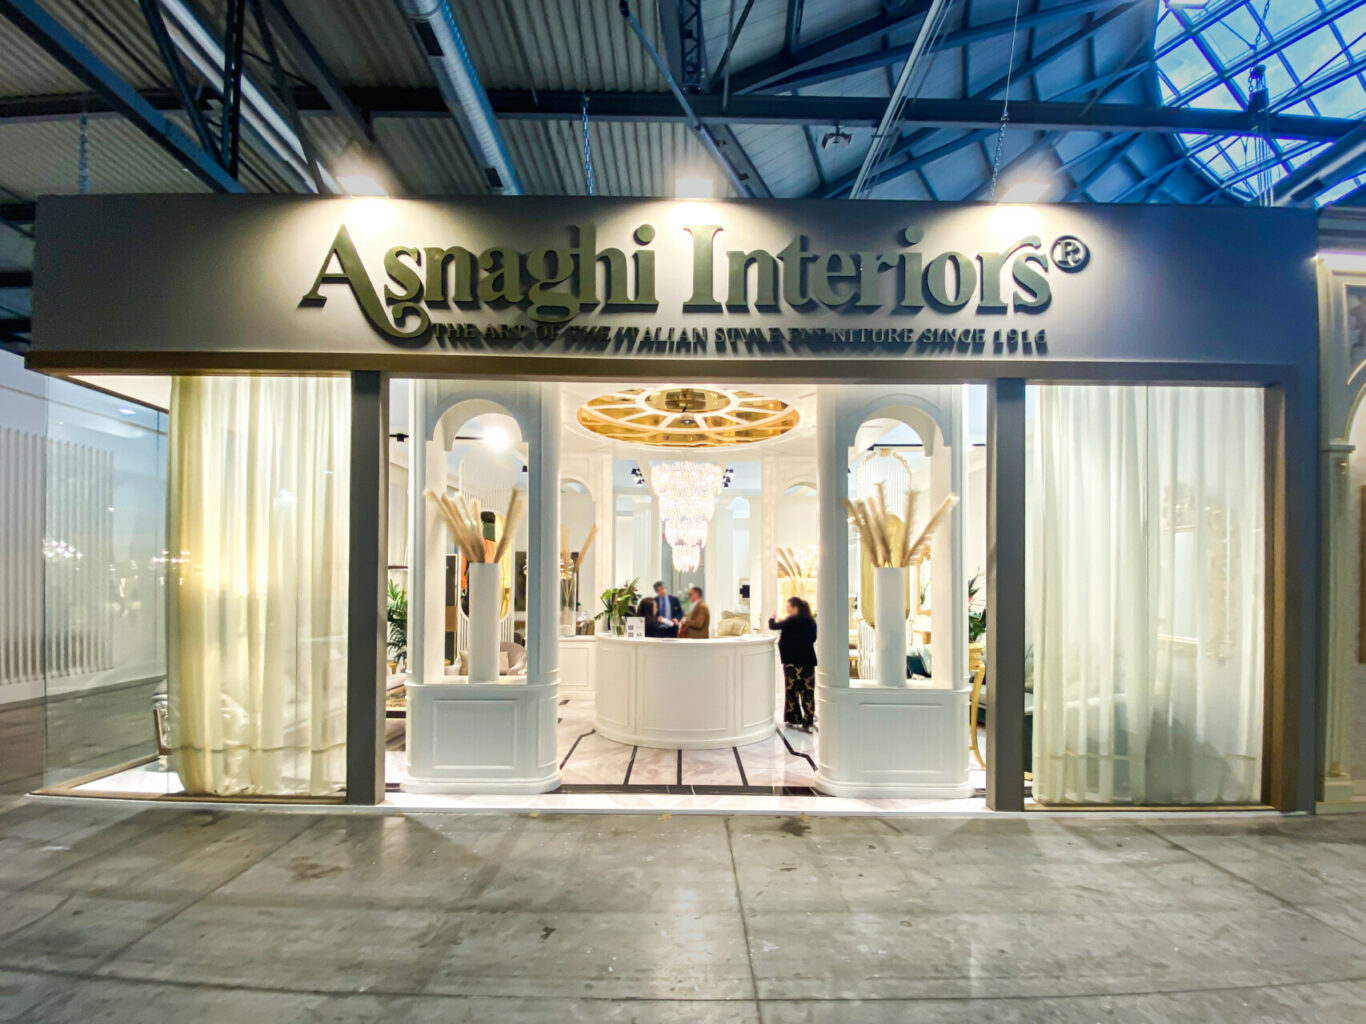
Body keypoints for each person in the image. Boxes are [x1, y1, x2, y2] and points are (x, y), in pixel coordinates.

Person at [769, 597, 817, 731]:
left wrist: (772, 618)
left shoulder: (791, 621)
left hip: (792, 663)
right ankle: (808, 723)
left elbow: (773, 626)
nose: (786, 609)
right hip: (808, 662)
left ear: (794, 607)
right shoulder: (811, 621)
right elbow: (813, 639)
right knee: (808, 692)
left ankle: (794, 719)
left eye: (788, 606)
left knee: (792, 691)